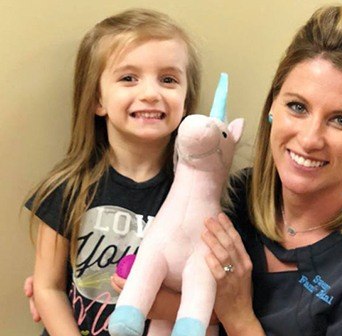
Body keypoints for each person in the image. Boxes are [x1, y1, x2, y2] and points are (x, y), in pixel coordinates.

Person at [201, 4, 342, 336]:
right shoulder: (230, 199)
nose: (310, 138)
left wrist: (239, 319)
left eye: (341, 120)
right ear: (273, 102)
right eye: (297, 107)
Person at [24, 8, 200, 336]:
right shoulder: (67, 188)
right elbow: (47, 289)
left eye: (168, 79)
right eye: (128, 78)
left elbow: (204, 299)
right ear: (97, 99)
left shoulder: (196, 198)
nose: (150, 93)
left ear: (187, 100)